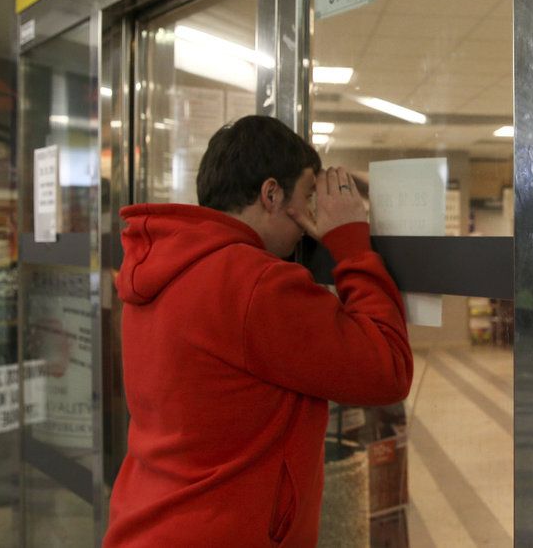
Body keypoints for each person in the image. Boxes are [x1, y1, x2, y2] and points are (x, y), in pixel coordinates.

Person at [103, 115, 413, 547]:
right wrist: (350, 246)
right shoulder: (255, 283)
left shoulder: (156, 268)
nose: (311, 218)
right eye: (308, 196)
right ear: (271, 194)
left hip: (144, 521)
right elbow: (387, 369)